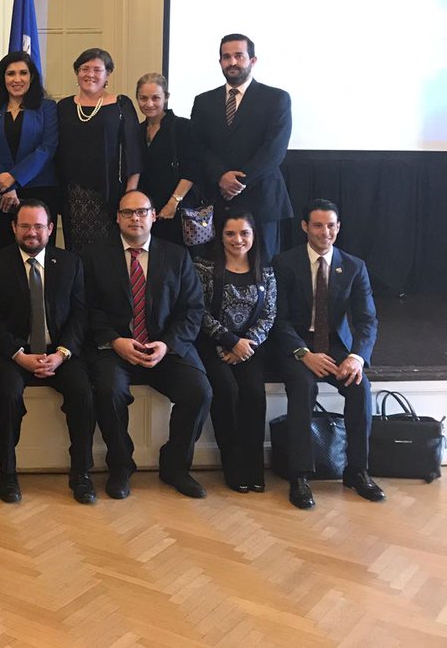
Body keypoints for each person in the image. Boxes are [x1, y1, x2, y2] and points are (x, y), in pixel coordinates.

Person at [83, 190, 211, 500]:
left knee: (199, 391)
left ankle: (176, 467)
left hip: (165, 347)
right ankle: (120, 466)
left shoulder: (177, 256)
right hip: (116, 348)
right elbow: (85, 309)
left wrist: (166, 345)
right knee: (108, 390)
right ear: (117, 218)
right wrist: (114, 340)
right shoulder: (94, 257)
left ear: (153, 215)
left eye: (141, 211)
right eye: (127, 212)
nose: (135, 218)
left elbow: (192, 310)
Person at [269, 199, 385, 509]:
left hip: (335, 344)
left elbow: (367, 320)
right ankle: (300, 475)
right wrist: (303, 353)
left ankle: (357, 471)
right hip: (296, 343)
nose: (325, 232)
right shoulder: (284, 263)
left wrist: (356, 357)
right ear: (304, 227)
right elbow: (278, 320)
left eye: (331, 225)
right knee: (303, 387)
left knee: (360, 388)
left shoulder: (354, 266)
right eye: (318, 225)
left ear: (338, 227)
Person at [0, 200, 96, 505]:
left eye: (38, 226)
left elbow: (80, 314)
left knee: (83, 393)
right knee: (7, 395)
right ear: (14, 228)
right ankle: (7, 473)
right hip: (11, 353)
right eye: (25, 226)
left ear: (50, 228)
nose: (31, 233)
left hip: (59, 352)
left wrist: (61, 353)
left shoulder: (71, 263)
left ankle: (82, 473)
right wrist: (18, 354)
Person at [189, 34, 293, 261]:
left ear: (253, 60)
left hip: (261, 198)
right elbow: (198, 146)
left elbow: (274, 150)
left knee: (262, 268)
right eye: (226, 57)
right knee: (214, 266)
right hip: (217, 198)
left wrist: (238, 182)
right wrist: (221, 176)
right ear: (220, 62)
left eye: (239, 56)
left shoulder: (276, 98)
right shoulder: (203, 101)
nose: (232, 62)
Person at [193, 211, 276, 493]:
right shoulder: (204, 267)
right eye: (230, 233)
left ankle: (254, 469)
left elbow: (269, 315)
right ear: (220, 235)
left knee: (254, 394)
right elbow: (198, 311)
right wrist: (230, 341)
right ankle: (233, 467)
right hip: (212, 345)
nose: (237, 239)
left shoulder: (265, 271)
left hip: (249, 349)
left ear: (254, 236)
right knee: (227, 392)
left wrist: (245, 345)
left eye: (244, 233)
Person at [56, 48, 143, 254]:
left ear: (108, 74)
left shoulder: (121, 105)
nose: (90, 74)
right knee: (76, 250)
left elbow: (134, 152)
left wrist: (130, 193)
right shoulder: (64, 106)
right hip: (73, 193)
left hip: (110, 192)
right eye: (84, 69)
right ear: (77, 72)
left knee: (107, 252)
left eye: (97, 69)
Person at [0, 51, 60, 255]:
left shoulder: (47, 107)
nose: (17, 79)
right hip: (1, 193)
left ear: (32, 77)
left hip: (39, 189)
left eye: (23, 73)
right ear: (2, 78)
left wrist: (14, 178)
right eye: (11, 74)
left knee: (38, 251)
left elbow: (47, 148)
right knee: (0, 253)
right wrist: (7, 185)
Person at [136, 73, 200, 248]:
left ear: (166, 97)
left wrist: (173, 202)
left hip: (176, 208)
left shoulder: (183, 127)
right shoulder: (137, 130)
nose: (149, 104)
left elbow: (192, 168)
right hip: (147, 211)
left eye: (155, 98)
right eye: (143, 98)